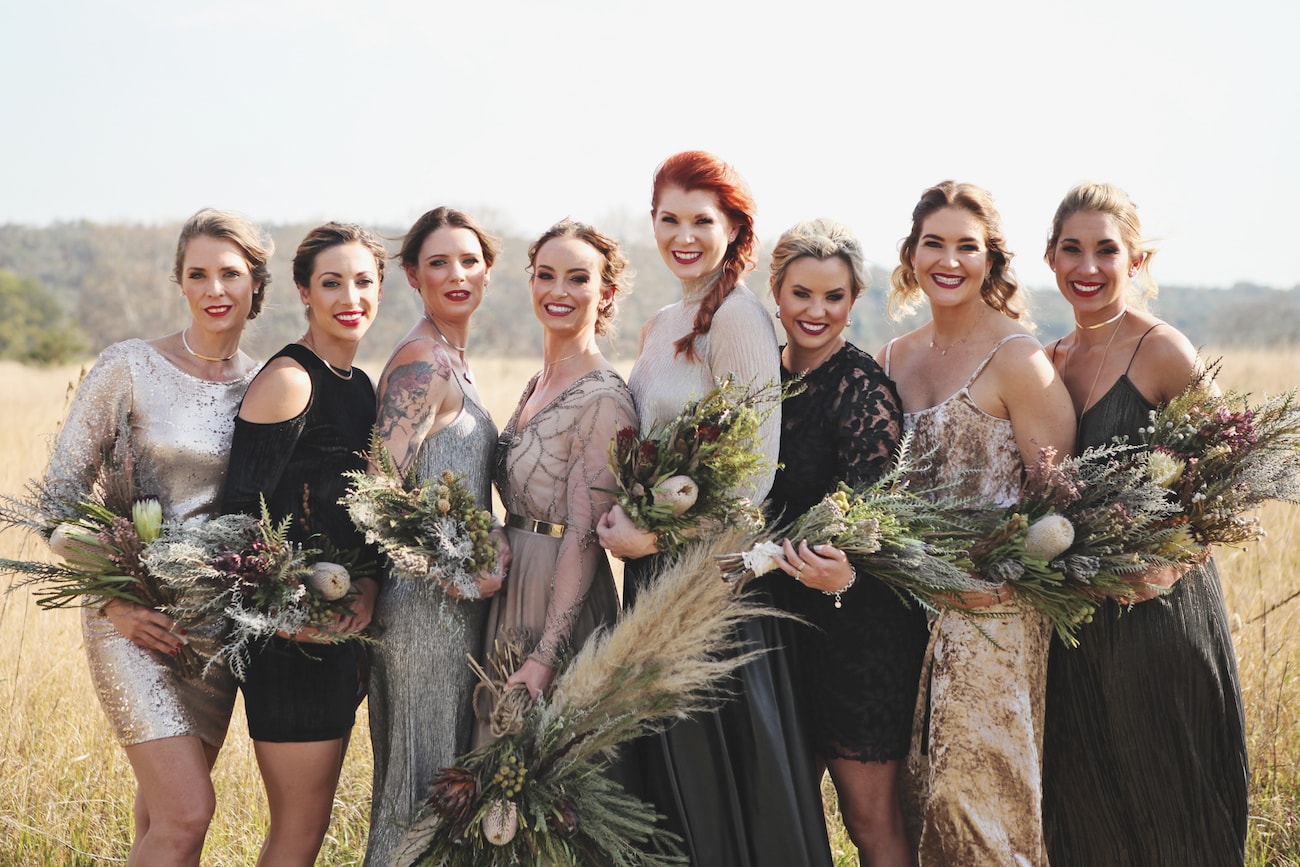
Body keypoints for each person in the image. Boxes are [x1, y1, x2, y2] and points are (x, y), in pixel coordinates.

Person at [597, 151, 833, 867]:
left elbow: (752, 479)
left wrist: (653, 538)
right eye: (669, 219)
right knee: (672, 782)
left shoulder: (738, 318)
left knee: (724, 784)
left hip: (716, 579)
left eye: (702, 220)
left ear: (734, 227)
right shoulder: (660, 322)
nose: (684, 236)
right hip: (654, 576)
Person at [42, 208, 271, 867]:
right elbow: (58, 500)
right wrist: (113, 599)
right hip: (132, 622)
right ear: (180, 282)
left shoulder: (267, 385)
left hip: (214, 635)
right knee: (189, 812)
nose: (214, 289)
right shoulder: (131, 366)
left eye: (230, 273)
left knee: (163, 822)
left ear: (256, 282)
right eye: (197, 274)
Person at [1040, 182, 1248, 866]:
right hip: (1076, 632)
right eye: (1072, 249)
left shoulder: (1162, 351)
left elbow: (1235, 472)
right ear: (1050, 257)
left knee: (1176, 814)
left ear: (1136, 260)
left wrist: (1171, 560)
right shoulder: (1048, 362)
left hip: (1161, 619)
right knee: (1088, 816)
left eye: (1106, 250)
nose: (1088, 267)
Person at [880, 180, 1075, 866]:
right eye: (933, 243)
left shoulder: (1018, 359)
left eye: (967, 246)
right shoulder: (894, 357)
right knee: (918, 804)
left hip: (992, 616)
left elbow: (1060, 505)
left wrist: (995, 581)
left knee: (979, 808)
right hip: (906, 611)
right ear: (911, 253)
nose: (949, 260)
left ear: (990, 259)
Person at [763, 218, 926, 867]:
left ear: (853, 300)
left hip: (856, 629)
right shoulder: (758, 380)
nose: (817, 310)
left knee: (868, 819)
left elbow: (879, 525)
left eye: (834, 296)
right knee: (788, 817)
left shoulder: (862, 390)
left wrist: (848, 575)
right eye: (802, 293)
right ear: (776, 291)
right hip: (779, 628)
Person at [220, 222, 384, 867]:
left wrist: (367, 586)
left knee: (309, 832)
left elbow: (360, 516)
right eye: (332, 283)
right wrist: (290, 617)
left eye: (364, 281)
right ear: (304, 292)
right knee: (297, 833)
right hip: (288, 644)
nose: (351, 297)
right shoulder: (291, 380)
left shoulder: (360, 386)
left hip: (340, 634)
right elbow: (238, 520)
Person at [364, 207, 508, 867]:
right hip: (423, 610)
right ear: (413, 275)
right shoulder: (422, 362)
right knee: (420, 793)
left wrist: (493, 535)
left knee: (447, 794)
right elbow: (375, 494)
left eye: (469, 261)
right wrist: (447, 572)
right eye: (439, 263)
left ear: (487, 272)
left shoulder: (456, 359)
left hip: (459, 606)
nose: (457, 274)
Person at [473, 218, 636, 743]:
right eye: (546, 275)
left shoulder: (604, 397)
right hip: (510, 586)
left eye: (578, 278)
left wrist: (547, 654)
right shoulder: (537, 382)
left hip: (557, 598)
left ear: (606, 294)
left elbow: (585, 533)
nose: (558, 291)